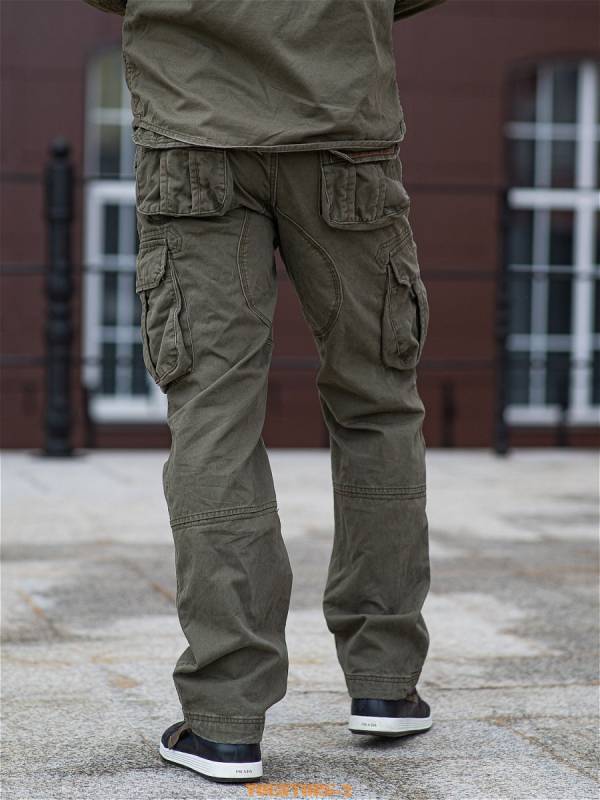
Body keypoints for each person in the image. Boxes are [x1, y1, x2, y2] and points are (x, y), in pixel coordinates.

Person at [84, 0, 444, 784]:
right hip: (341, 123)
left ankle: (224, 720)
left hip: (195, 127)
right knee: (378, 402)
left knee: (213, 414)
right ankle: (385, 681)